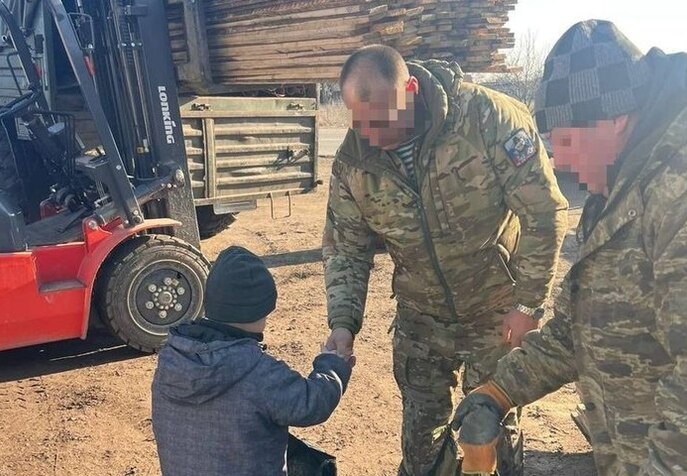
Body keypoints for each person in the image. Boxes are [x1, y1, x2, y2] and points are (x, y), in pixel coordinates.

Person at [453, 19, 687, 476]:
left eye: (564, 140)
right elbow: (579, 329)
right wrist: (499, 391)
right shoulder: (617, 188)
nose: (557, 159)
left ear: (615, 119)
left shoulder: (674, 194)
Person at [322, 44, 568, 475]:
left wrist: (528, 304)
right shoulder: (354, 162)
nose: (372, 136)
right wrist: (343, 323)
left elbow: (544, 212)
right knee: (421, 447)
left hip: (496, 313)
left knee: (491, 433)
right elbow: (346, 247)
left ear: (411, 91)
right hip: (422, 318)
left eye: (381, 121)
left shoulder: (486, 118)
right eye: (361, 123)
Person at [151, 246, 353, 476]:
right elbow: (312, 403)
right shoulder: (259, 372)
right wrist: (333, 365)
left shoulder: (171, 359)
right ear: (262, 311)